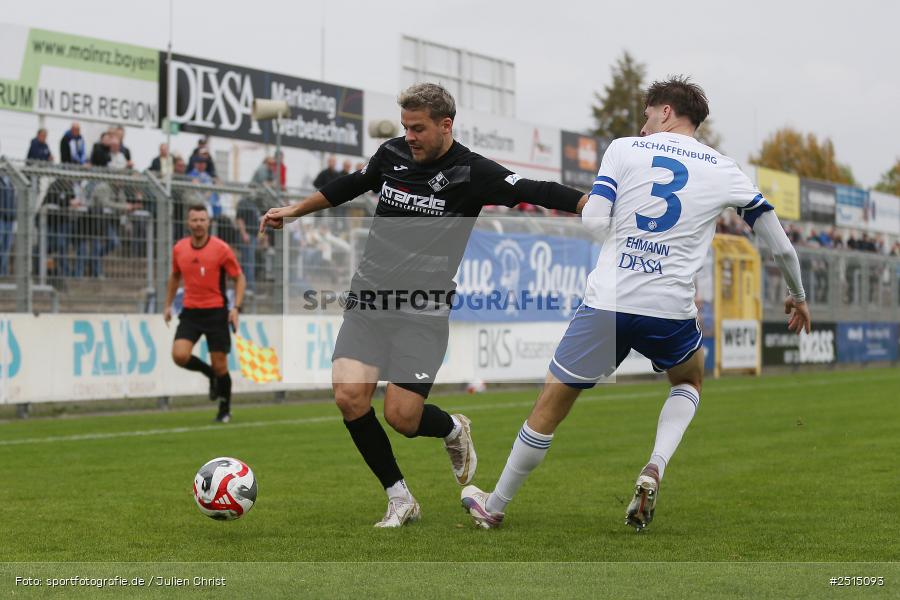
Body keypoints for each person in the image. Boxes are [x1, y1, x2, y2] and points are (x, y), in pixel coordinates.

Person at [459, 76, 812, 532]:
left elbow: (593, 220)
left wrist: (624, 239)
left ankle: (496, 503)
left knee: (551, 403)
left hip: (609, 301)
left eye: (647, 114)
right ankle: (654, 466)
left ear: (665, 112)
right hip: (669, 307)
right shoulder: (726, 169)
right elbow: (782, 248)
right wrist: (797, 296)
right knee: (688, 381)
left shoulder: (625, 149)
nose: (642, 124)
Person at [260, 82, 589, 528]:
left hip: (423, 309)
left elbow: (534, 188)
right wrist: (294, 210)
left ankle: (452, 428)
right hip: (369, 299)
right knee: (349, 396)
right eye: (405, 127)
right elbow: (351, 186)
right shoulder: (391, 155)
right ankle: (399, 497)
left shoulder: (473, 172)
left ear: (445, 125)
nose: (409, 136)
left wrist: (589, 201)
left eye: (418, 128)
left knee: (402, 416)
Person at [164, 204, 246, 423]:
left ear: (208, 222)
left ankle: (225, 408)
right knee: (179, 355)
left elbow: (239, 277)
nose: (198, 224)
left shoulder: (221, 249)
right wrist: (168, 305)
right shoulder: (179, 248)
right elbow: (174, 276)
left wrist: (235, 308)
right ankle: (209, 374)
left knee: (221, 365)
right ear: (188, 223)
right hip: (190, 311)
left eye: (202, 219)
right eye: (194, 220)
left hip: (216, 312)